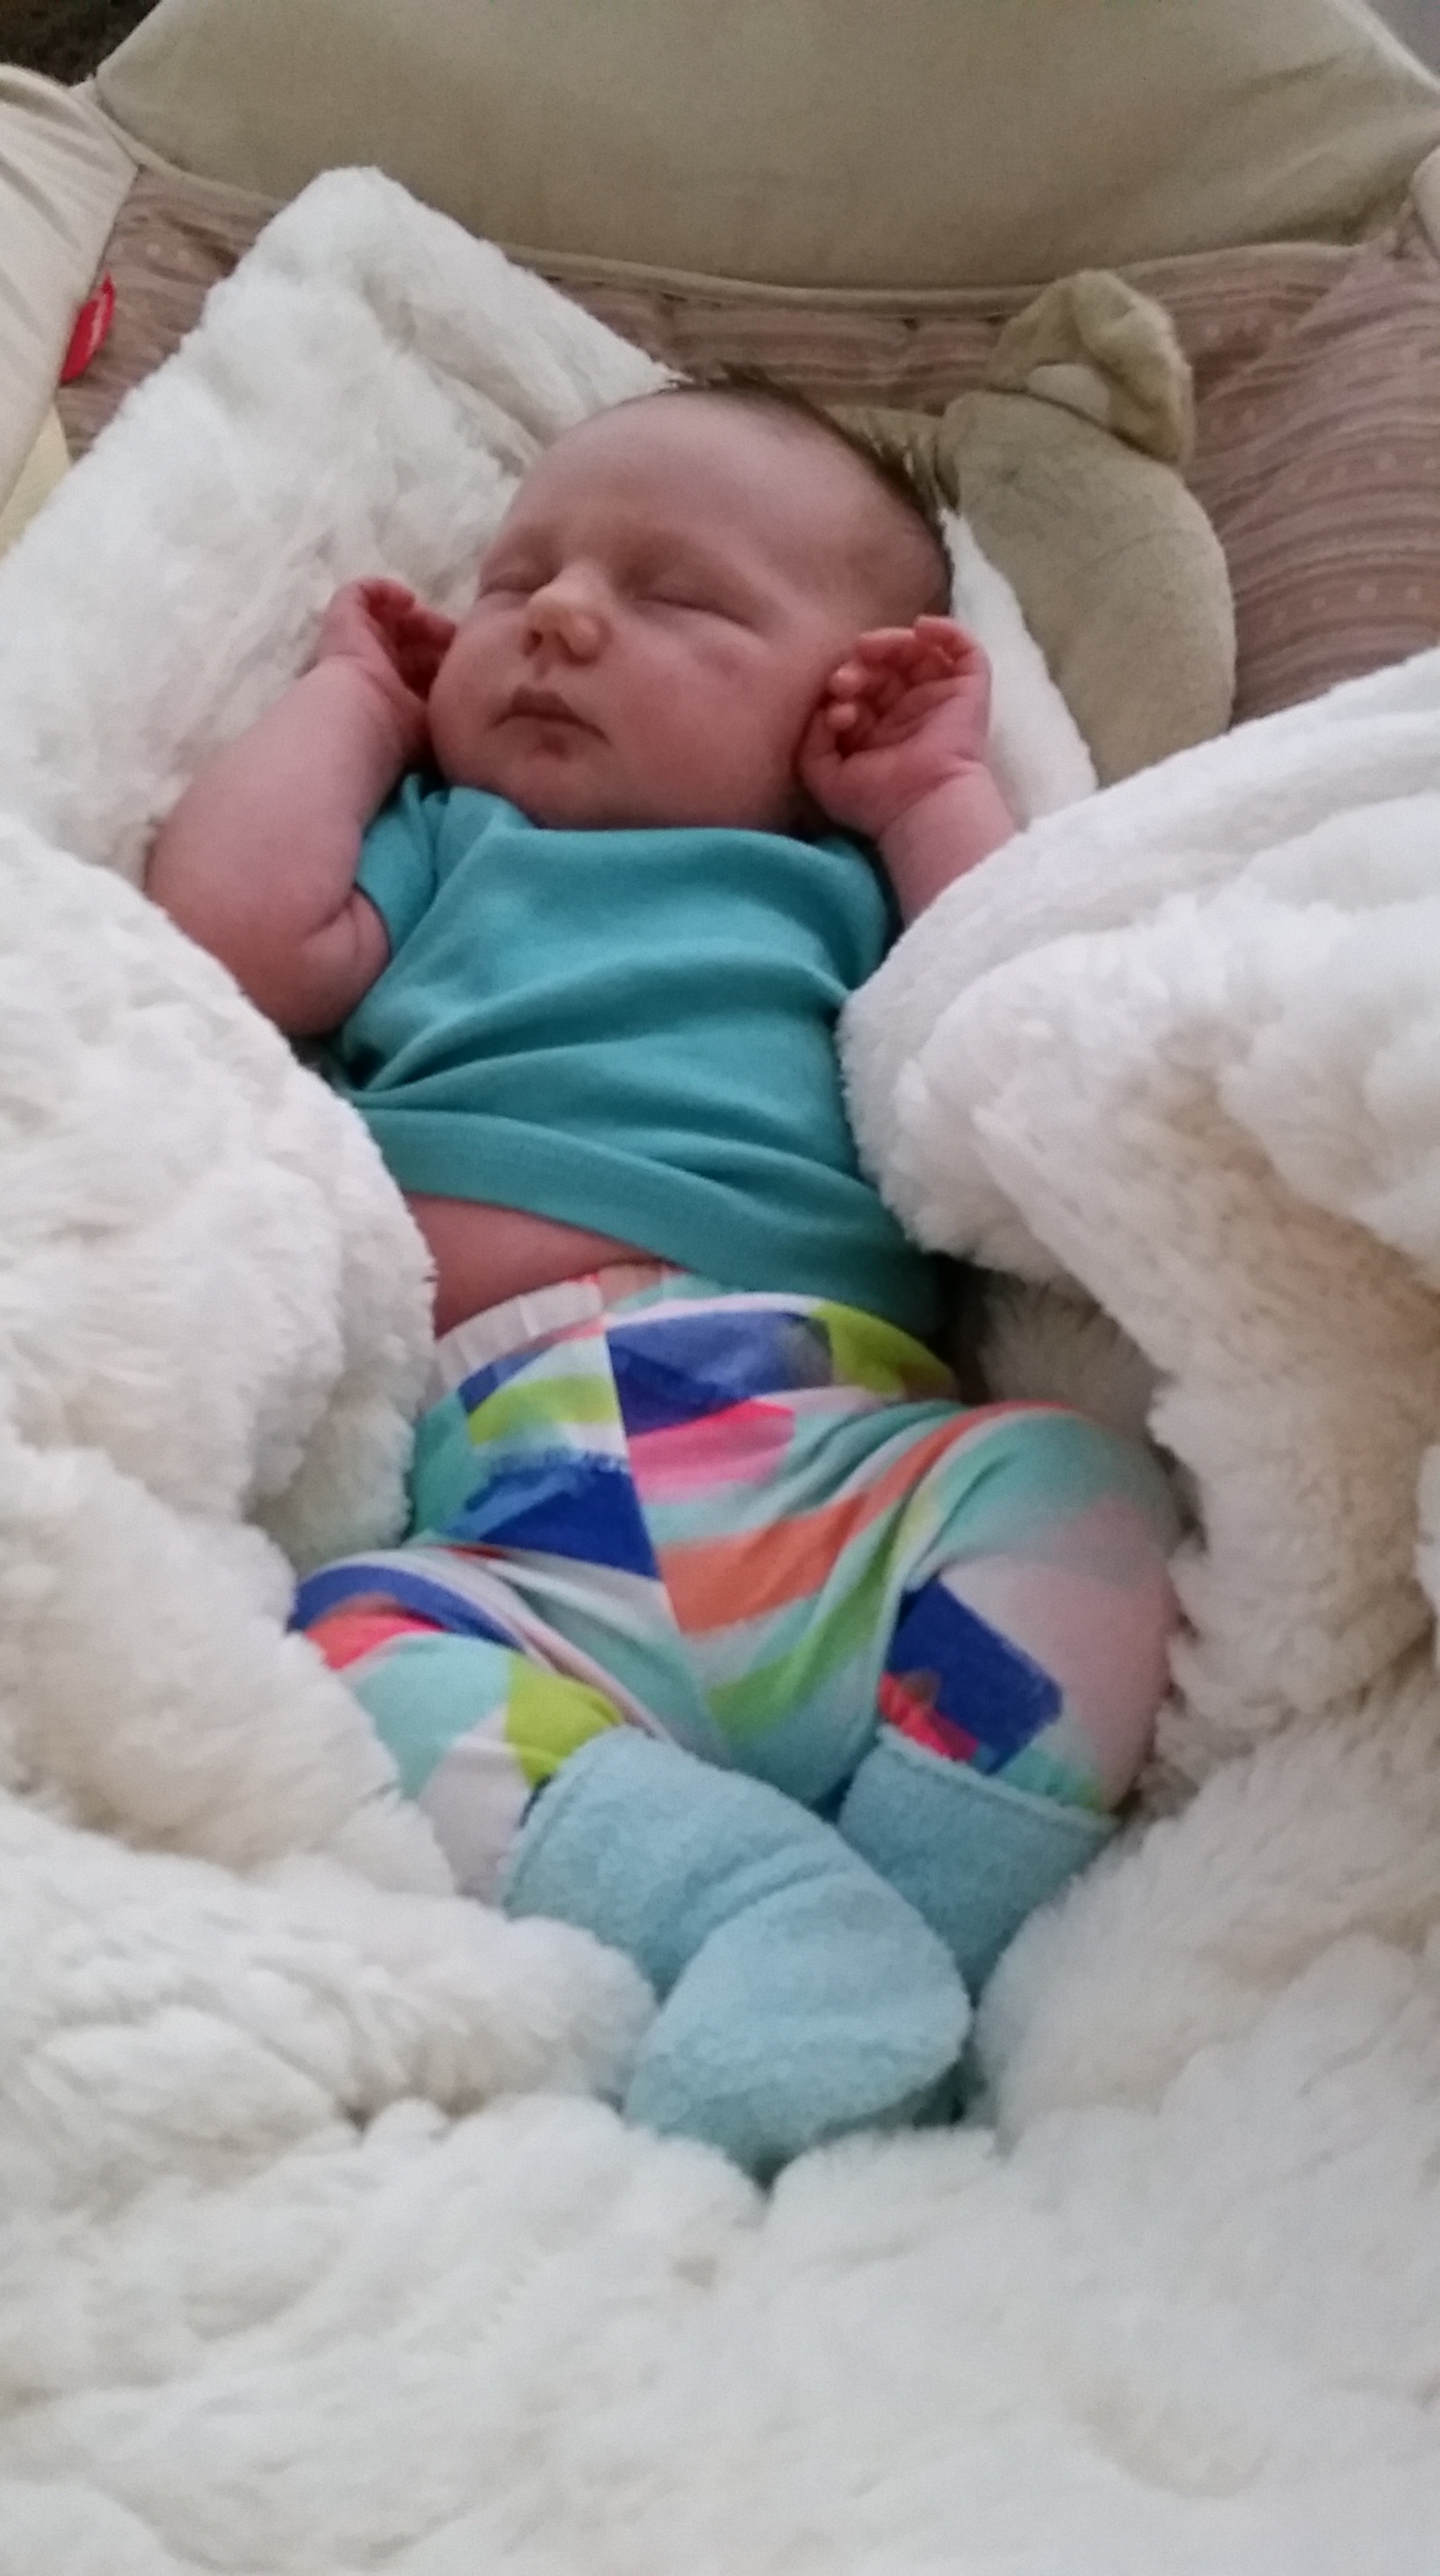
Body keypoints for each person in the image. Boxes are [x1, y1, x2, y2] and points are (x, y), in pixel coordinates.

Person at [147, 376, 1178, 2175]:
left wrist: (932, 792)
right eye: (513, 578)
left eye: (676, 596)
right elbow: (225, 938)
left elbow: (1018, 1014)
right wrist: (356, 700)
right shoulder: (448, 845)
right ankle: (754, 1903)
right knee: (343, 1650)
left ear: (837, 700)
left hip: (842, 1467)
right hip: (515, 1535)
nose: (554, 615)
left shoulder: (831, 877)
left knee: (1082, 1492)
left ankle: (922, 1916)